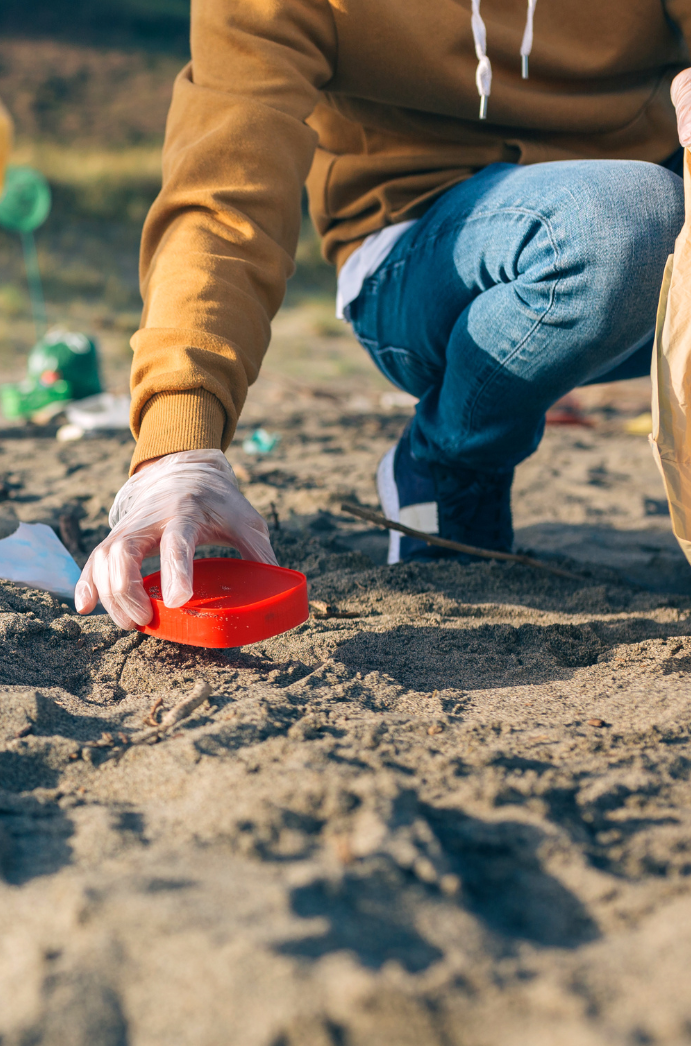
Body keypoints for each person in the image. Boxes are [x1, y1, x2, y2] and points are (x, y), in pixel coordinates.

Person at [75, 0, 691, 629]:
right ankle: (450, 462)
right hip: (419, 247)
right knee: (622, 227)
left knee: (647, 219)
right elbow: (223, 197)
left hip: (665, 212)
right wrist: (180, 444)